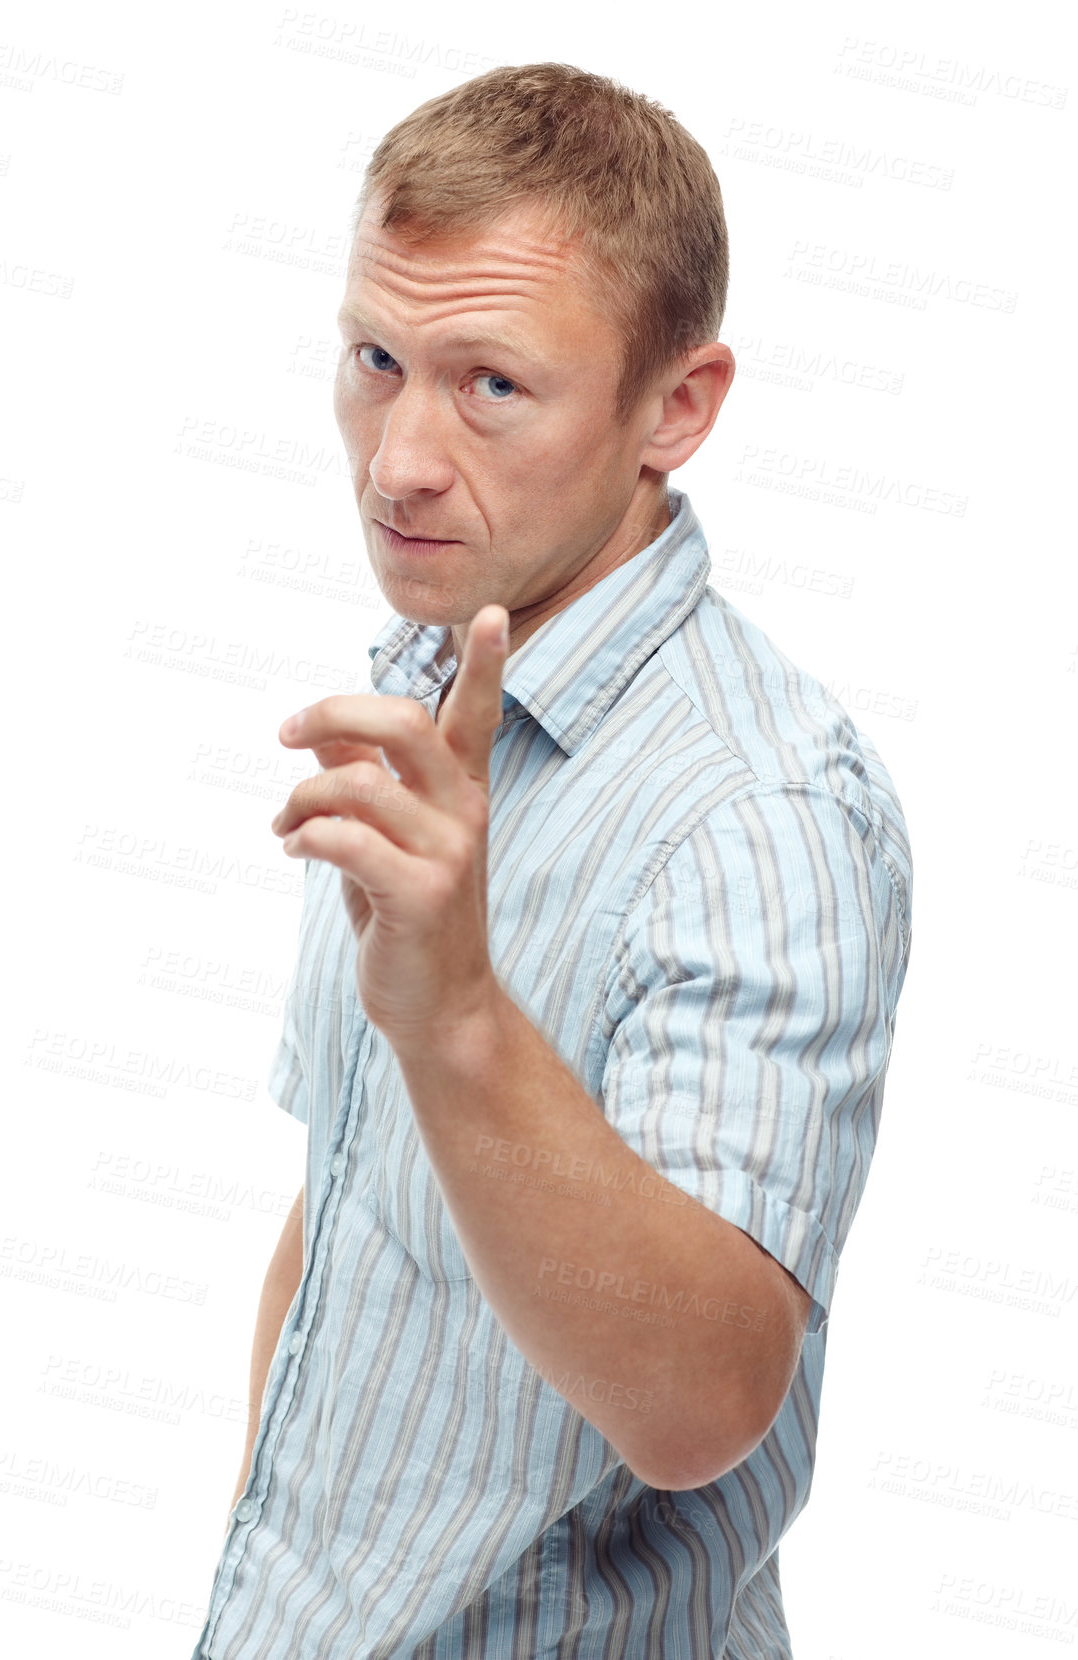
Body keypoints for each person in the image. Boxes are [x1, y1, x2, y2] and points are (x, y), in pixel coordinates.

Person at [190, 61, 913, 1659]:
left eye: (490, 386)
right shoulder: (434, 677)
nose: (397, 461)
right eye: (375, 362)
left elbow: (703, 1402)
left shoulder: (766, 811)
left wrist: (458, 1013)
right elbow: (345, 1206)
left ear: (678, 409)